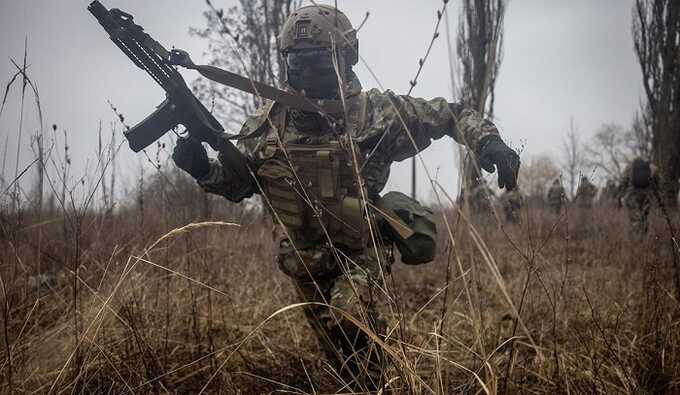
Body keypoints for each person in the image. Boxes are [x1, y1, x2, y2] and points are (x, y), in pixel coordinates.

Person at [171, 4, 520, 388]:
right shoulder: (267, 122)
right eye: (296, 61)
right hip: (302, 259)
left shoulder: (375, 113)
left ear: (345, 58)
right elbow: (242, 185)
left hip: (360, 250)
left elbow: (449, 115)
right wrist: (203, 170)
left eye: (317, 61)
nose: (304, 72)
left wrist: (489, 142)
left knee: (351, 319)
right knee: (339, 352)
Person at [619, 157, 656, 234]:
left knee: (635, 219)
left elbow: (623, 182)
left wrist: (621, 196)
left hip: (633, 195)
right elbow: (656, 181)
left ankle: (636, 241)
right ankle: (644, 239)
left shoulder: (629, 167)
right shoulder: (651, 167)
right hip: (647, 196)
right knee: (644, 218)